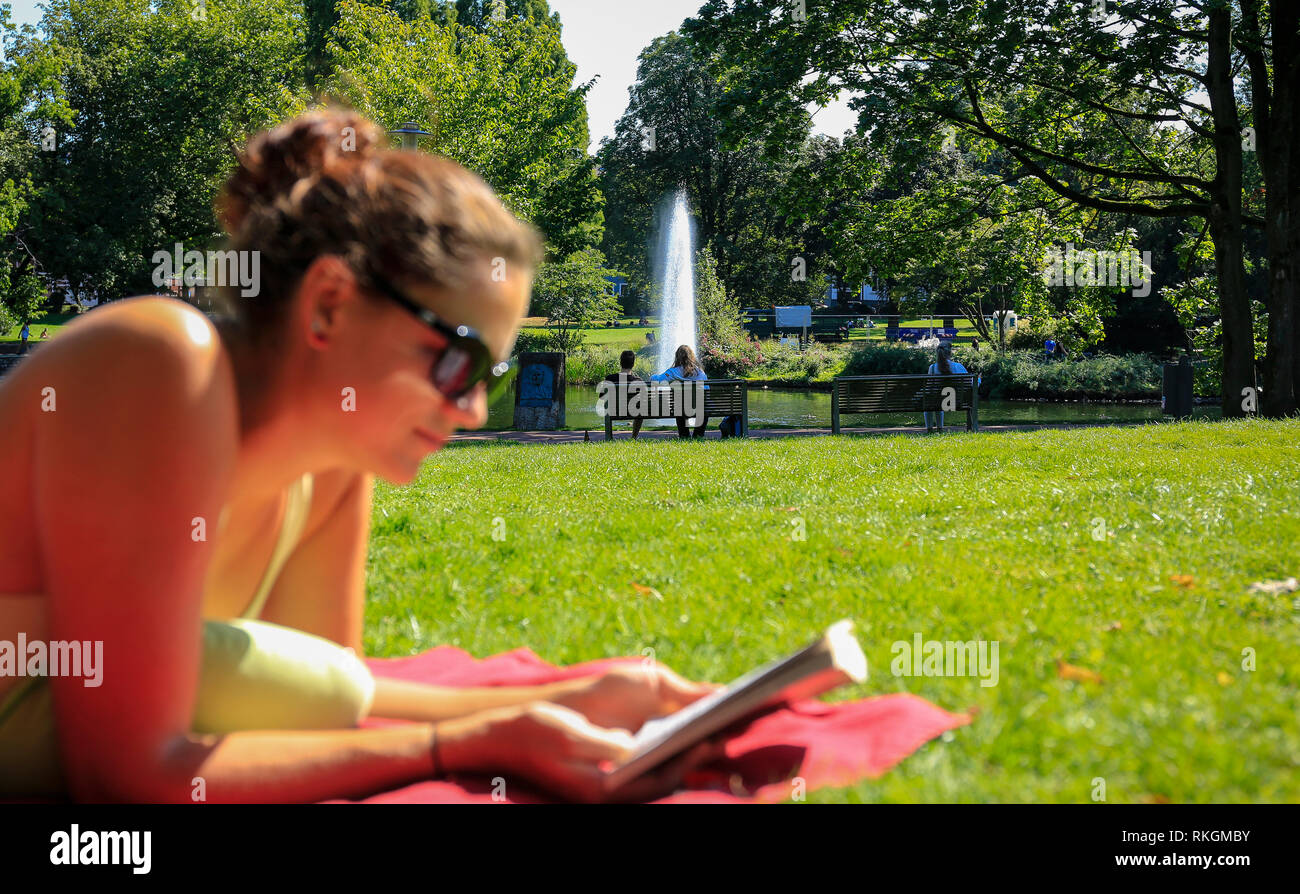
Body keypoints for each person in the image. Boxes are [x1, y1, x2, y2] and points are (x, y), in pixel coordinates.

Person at [0, 110, 718, 803]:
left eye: (488, 376)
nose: (471, 408)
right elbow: (129, 778)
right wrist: (471, 743)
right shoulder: (158, 363)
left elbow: (316, 701)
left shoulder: (333, 460)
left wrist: (568, 697)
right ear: (330, 306)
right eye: (458, 361)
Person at [652, 344, 708, 438]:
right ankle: (698, 435)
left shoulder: (673, 372)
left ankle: (684, 435)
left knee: (679, 406)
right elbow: (706, 390)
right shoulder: (700, 372)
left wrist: (652, 376)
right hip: (700, 408)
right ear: (691, 356)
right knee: (702, 406)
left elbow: (657, 380)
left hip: (681, 408)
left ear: (677, 357)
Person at [924, 343, 975, 432]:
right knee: (937, 401)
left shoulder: (932, 368)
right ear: (950, 353)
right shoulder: (958, 367)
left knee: (931, 402)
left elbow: (929, 389)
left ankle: (930, 429)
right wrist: (979, 380)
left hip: (938, 402)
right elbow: (970, 384)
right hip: (957, 402)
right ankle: (941, 428)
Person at [603, 349, 646, 440]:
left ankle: (609, 436)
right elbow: (644, 400)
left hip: (614, 411)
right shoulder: (638, 381)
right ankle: (634, 437)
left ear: (620, 362)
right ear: (633, 364)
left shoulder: (610, 378)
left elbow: (602, 397)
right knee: (640, 411)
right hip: (635, 411)